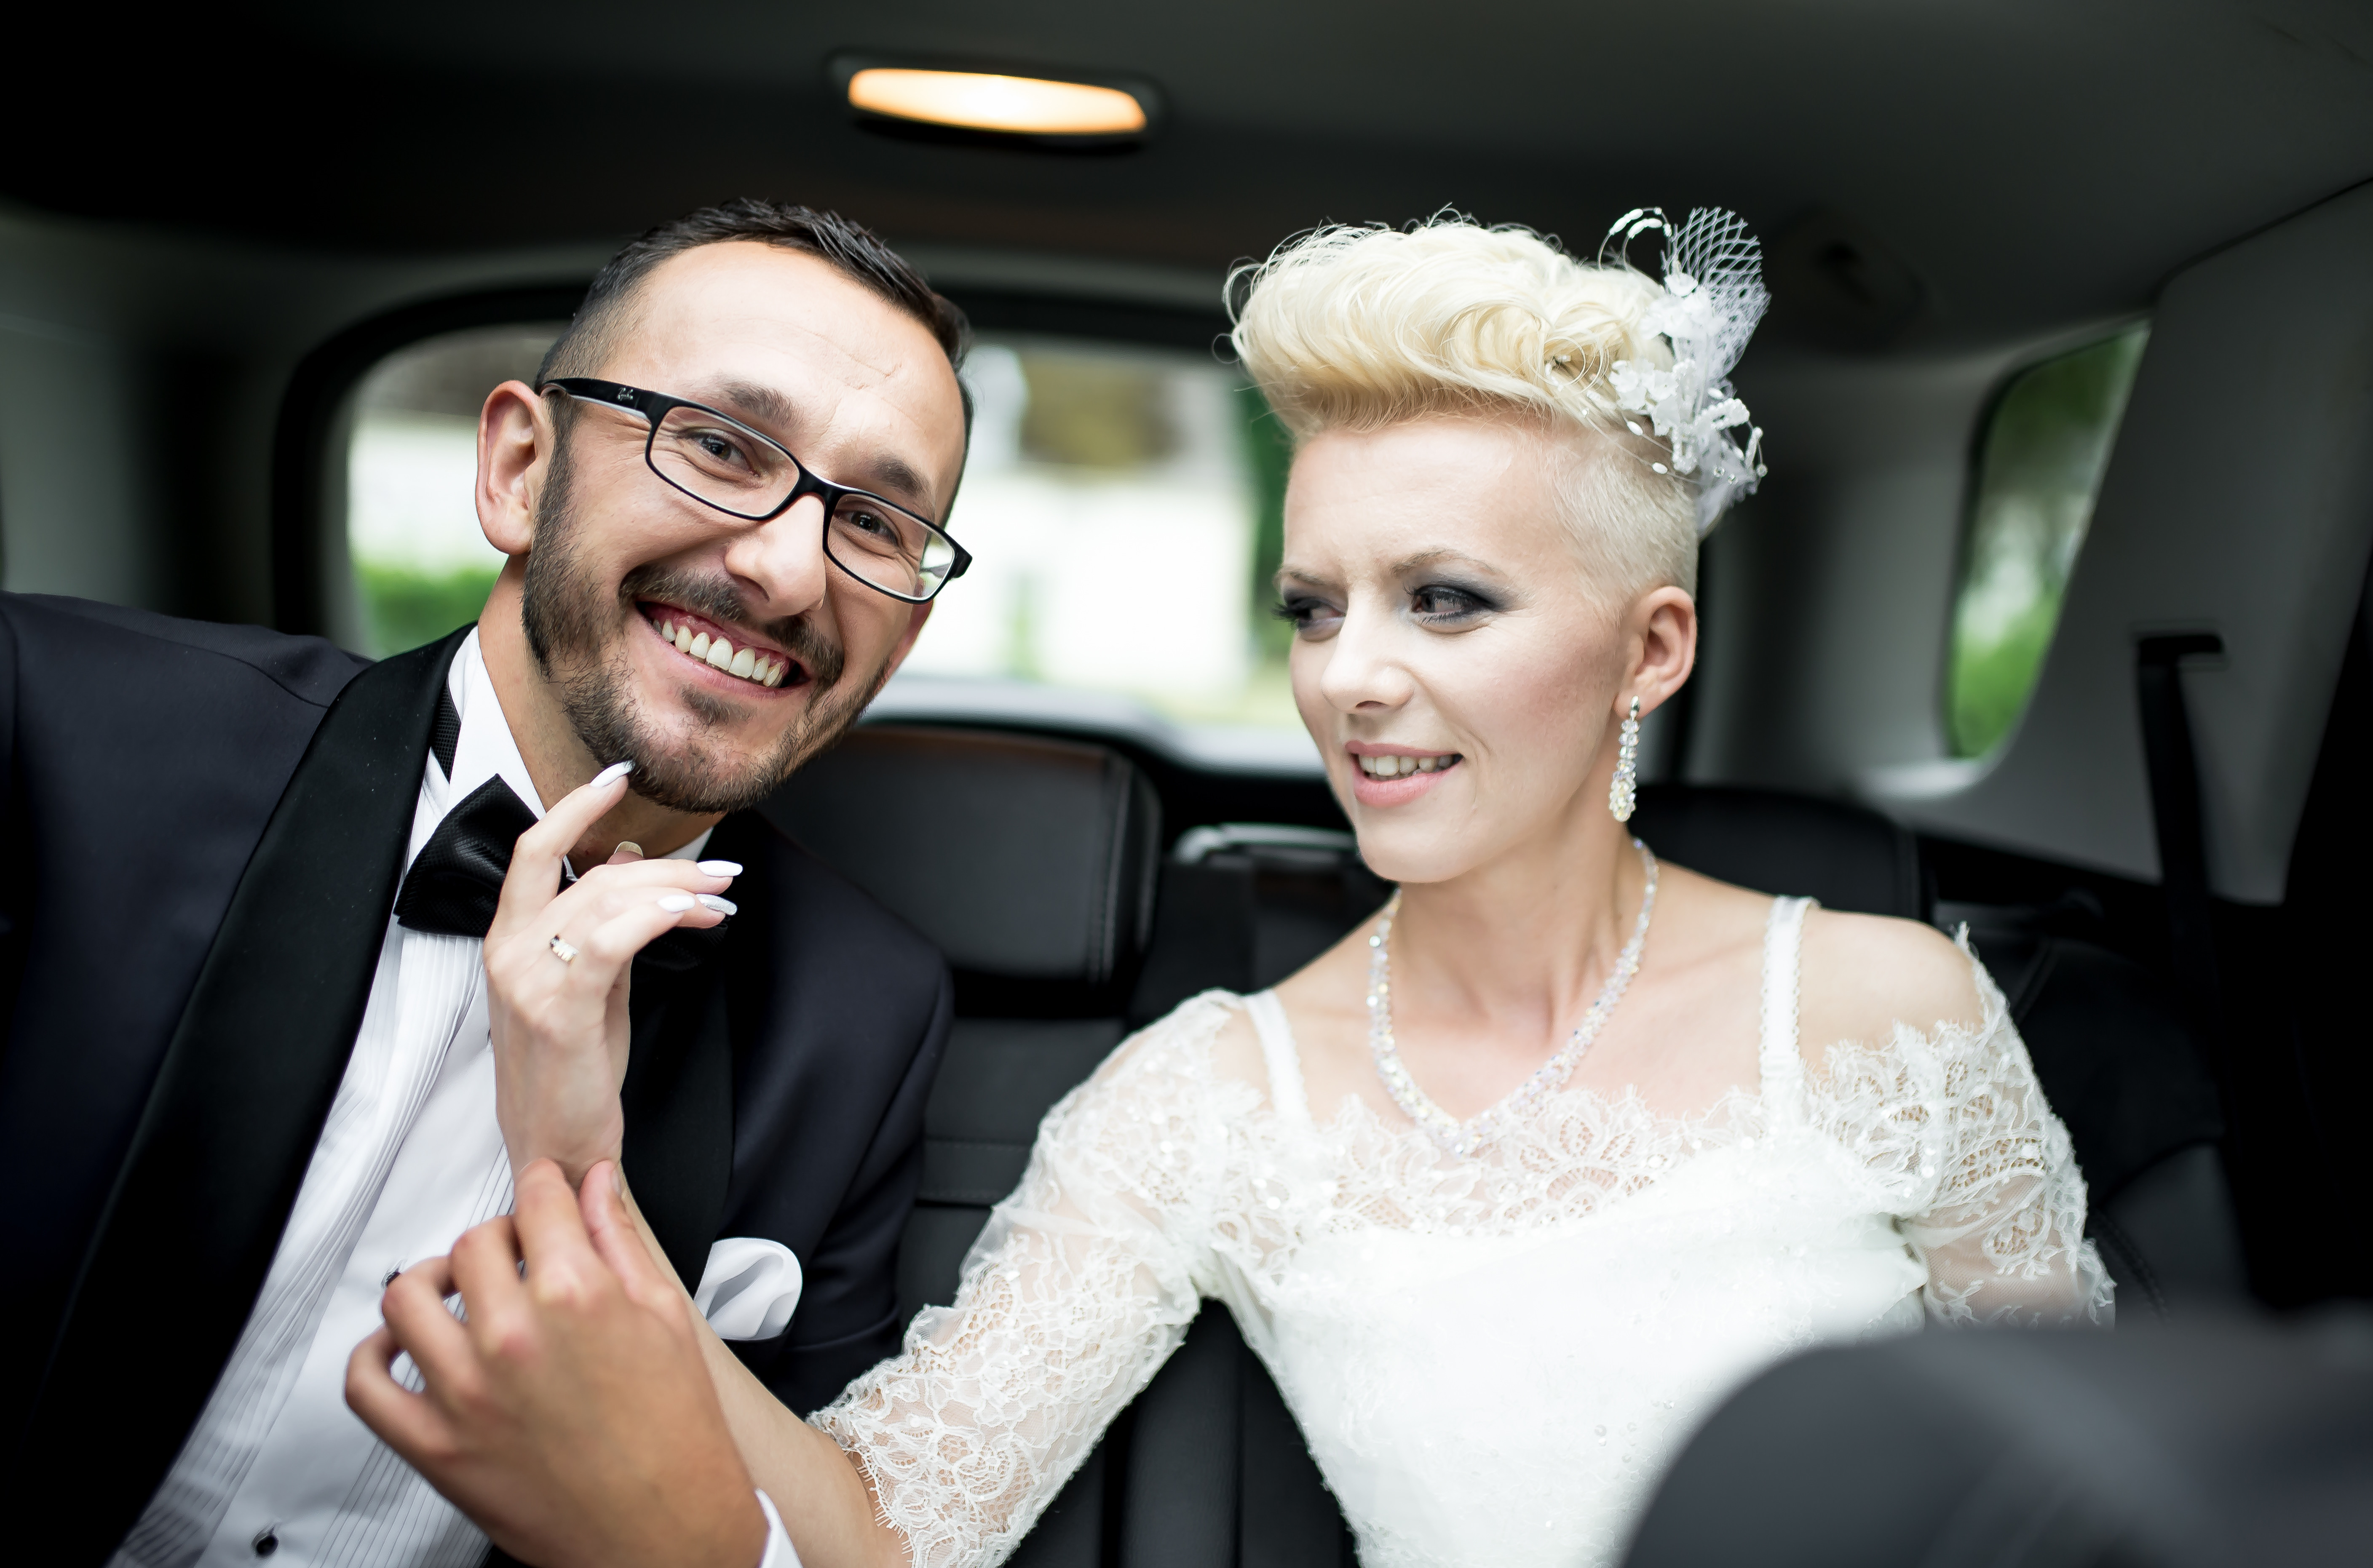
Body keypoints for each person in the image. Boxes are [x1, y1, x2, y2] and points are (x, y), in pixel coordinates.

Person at [350, 211, 2113, 1568]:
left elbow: (2100, 1491)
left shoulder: (1894, 1009)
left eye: (1445, 601)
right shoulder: (1203, 1100)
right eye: (1313, 607)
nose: (1349, 679)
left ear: (1652, 649)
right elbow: (884, 1535)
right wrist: (580, 1174)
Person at [0, 201, 975, 1568]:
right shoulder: (56, 726)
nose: (784, 569)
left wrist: (582, 1182)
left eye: (872, 521)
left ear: (906, 629)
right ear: (521, 468)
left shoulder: (865, 1011)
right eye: (717, 445)